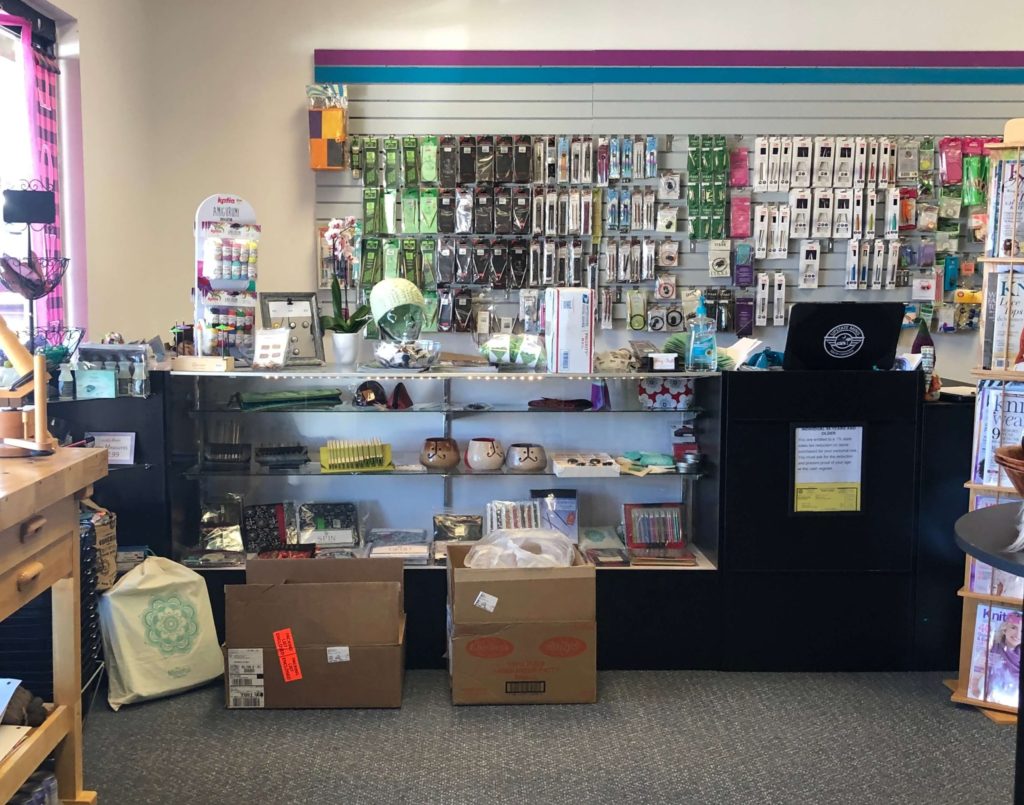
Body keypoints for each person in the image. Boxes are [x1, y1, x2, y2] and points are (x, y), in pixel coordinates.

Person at [987, 611, 1022, 707]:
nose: (1018, 634)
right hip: (993, 696)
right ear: (1004, 629)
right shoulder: (993, 647)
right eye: (1014, 627)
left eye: (1022, 630)